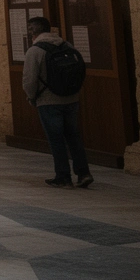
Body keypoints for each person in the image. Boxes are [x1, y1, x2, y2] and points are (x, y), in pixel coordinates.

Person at [23, 16, 92, 189]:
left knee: (56, 139)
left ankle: (63, 176)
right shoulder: (67, 45)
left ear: (33, 32)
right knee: (73, 136)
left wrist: (31, 97)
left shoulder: (35, 51)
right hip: (71, 98)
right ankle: (83, 173)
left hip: (48, 100)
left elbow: (29, 80)